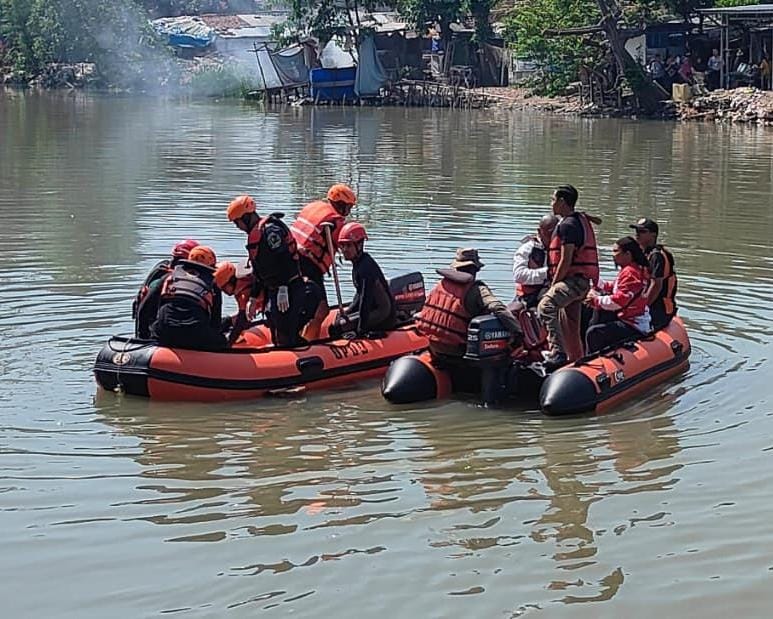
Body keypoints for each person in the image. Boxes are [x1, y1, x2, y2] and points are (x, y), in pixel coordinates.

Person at [226, 195, 321, 347]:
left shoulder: (271, 232)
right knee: (276, 331)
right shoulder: (256, 236)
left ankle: (302, 357)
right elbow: (259, 270)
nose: (238, 227)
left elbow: (284, 258)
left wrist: (283, 287)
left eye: (237, 222)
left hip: (290, 288)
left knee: (285, 335)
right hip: (274, 290)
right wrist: (253, 297)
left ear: (246, 217)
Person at [537, 184, 599, 370]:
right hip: (581, 283)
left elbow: (566, 259)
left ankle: (558, 353)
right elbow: (599, 220)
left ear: (562, 201)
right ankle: (576, 360)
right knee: (570, 322)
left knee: (545, 306)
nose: (551, 203)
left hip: (573, 282)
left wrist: (554, 284)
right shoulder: (578, 219)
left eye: (553, 199)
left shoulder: (567, 226)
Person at [417, 248, 521, 360]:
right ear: (475, 269)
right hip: (457, 350)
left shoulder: (441, 285)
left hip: (432, 345)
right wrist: (518, 332)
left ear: (455, 267)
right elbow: (498, 308)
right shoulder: (476, 290)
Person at [291, 183, 356, 339]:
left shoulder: (313, 207)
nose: (348, 212)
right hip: (309, 264)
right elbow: (344, 243)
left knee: (302, 304)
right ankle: (308, 343)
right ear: (341, 205)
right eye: (348, 208)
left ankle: (298, 335)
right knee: (322, 310)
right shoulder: (334, 221)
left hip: (291, 259)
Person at [150, 245, 228, 351]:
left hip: (165, 331)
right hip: (195, 333)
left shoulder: (170, 277)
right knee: (221, 341)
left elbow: (154, 307)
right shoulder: (212, 285)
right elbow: (215, 323)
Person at [584, 236, 651, 353]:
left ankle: (591, 359)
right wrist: (594, 282)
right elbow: (614, 287)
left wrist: (595, 300)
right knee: (593, 313)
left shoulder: (631, 273)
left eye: (616, 251)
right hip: (628, 318)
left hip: (633, 324)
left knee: (594, 333)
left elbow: (619, 301)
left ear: (628, 254)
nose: (613, 255)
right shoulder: (633, 270)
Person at [330, 222, 396, 338]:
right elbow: (359, 295)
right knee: (337, 323)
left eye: (348, 246)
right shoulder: (358, 264)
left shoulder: (366, 268)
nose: (344, 250)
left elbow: (366, 299)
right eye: (342, 246)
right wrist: (348, 312)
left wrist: (360, 330)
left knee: (337, 328)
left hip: (383, 312)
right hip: (372, 308)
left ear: (359, 245)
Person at [132, 239, 199, 339]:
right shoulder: (168, 279)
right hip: (153, 329)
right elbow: (144, 308)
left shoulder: (160, 269)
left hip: (148, 324)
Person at [630, 218, 678, 331]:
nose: (637, 234)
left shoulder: (657, 256)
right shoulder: (644, 254)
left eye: (642, 231)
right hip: (649, 307)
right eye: (636, 231)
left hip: (658, 310)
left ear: (653, 235)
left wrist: (642, 308)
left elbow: (657, 286)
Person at [512, 214, 559, 308]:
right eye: (549, 233)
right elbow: (519, 275)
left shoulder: (564, 249)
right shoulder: (527, 249)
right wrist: (548, 272)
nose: (553, 238)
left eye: (556, 234)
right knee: (514, 310)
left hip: (554, 296)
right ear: (539, 232)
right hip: (528, 298)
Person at [213, 261, 256, 346]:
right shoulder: (240, 288)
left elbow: (242, 320)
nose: (224, 292)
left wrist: (229, 343)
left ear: (231, 281)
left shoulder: (243, 294)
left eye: (224, 288)